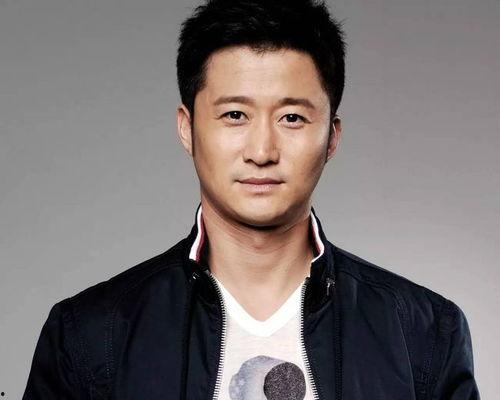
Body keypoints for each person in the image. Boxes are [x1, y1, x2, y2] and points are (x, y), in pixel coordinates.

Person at [22, 0, 480, 399]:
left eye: (292, 118)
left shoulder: (423, 334)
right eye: (235, 115)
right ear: (187, 128)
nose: (262, 151)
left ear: (332, 137)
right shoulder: (88, 336)